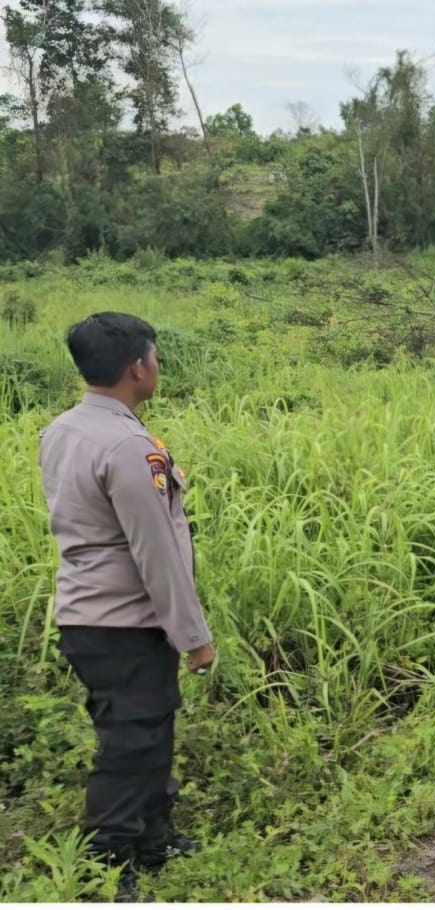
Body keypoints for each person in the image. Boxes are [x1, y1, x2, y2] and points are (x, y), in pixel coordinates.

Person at [38, 312, 215, 895]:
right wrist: (193, 636)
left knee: (147, 728)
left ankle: (152, 835)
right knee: (132, 741)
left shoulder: (63, 428)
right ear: (138, 367)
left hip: (86, 616)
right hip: (123, 621)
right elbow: (156, 551)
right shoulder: (128, 446)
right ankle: (106, 863)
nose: (158, 367)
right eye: (156, 357)